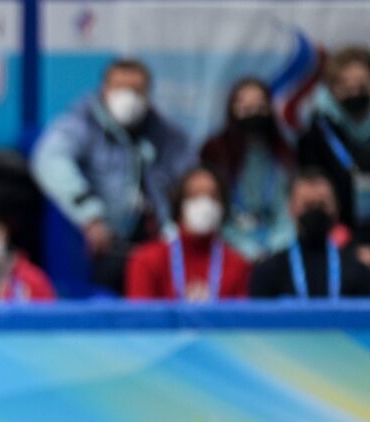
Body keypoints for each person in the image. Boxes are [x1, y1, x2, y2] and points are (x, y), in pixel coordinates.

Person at [31, 57, 193, 293]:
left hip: (157, 243)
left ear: (148, 95)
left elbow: (190, 178)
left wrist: (176, 227)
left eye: (136, 90)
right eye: (120, 88)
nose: (128, 97)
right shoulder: (81, 123)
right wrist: (90, 215)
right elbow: (49, 160)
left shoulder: (165, 134)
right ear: (105, 89)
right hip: (105, 245)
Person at [199, 77, 296, 260]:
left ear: (269, 108)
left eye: (260, 105)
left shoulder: (283, 151)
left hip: (278, 245)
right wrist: (243, 247)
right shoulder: (215, 150)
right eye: (245, 106)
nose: (253, 111)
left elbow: (286, 207)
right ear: (232, 109)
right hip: (228, 245)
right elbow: (212, 205)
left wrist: (279, 243)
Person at [124, 166, 251, 300]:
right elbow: (140, 318)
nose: (205, 204)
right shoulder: (147, 261)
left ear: (222, 207)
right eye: (195, 195)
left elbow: (240, 318)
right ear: (180, 205)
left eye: (212, 197)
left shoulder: (238, 265)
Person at [250, 168, 370, 298]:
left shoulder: (358, 271)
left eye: (322, 205)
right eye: (307, 205)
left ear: (336, 208)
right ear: (291, 208)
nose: (315, 212)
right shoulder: (269, 272)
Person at [297, 45, 370, 247]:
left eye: (362, 83)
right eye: (346, 85)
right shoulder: (315, 135)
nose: (354, 90)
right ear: (331, 88)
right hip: (338, 235)